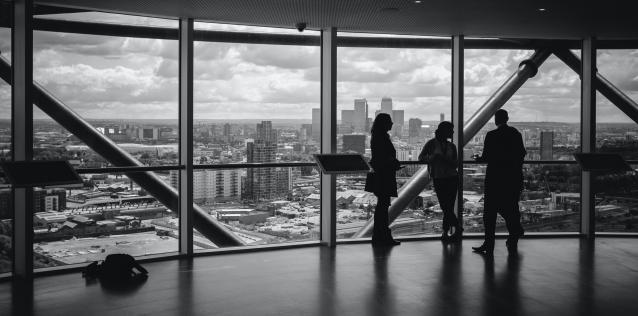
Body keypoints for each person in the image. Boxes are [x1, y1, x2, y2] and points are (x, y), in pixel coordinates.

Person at [472, 109, 526, 255]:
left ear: (496, 120)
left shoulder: (492, 135)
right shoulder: (516, 134)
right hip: (512, 178)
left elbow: (486, 157)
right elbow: (522, 154)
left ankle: (489, 244)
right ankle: (514, 234)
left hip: (495, 178)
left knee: (490, 213)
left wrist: (478, 159)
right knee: (511, 208)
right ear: (507, 118)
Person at [418, 121, 462, 242]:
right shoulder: (431, 144)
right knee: (445, 206)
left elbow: (455, 164)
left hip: (451, 178)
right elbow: (421, 158)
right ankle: (456, 227)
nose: (453, 132)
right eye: (450, 130)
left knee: (448, 206)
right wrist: (433, 158)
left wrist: (441, 158)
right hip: (440, 178)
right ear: (444, 131)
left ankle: (445, 232)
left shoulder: (452, 146)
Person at [365, 113, 402, 247]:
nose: (392, 124)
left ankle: (379, 236)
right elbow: (384, 157)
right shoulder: (382, 138)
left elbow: (380, 157)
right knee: (383, 207)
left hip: (379, 174)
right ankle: (383, 236)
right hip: (384, 175)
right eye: (390, 122)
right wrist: (393, 163)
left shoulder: (377, 137)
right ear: (384, 124)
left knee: (382, 206)